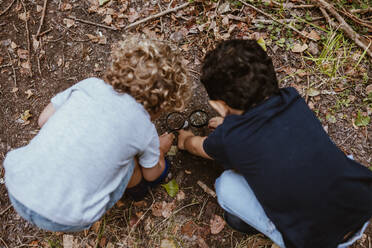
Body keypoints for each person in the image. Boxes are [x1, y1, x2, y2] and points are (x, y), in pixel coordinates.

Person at [177, 39, 372, 248]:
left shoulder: (231, 139)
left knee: (225, 186)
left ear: (219, 105)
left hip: (315, 242)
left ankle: (261, 224)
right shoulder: (291, 98)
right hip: (361, 204)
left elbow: (198, 146)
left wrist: (185, 139)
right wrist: (230, 121)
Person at [3, 36, 190, 232]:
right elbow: (152, 174)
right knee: (130, 164)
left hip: (17, 186)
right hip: (67, 218)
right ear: (163, 104)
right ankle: (137, 192)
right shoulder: (144, 127)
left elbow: (43, 120)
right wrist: (159, 151)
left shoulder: (89, 86)